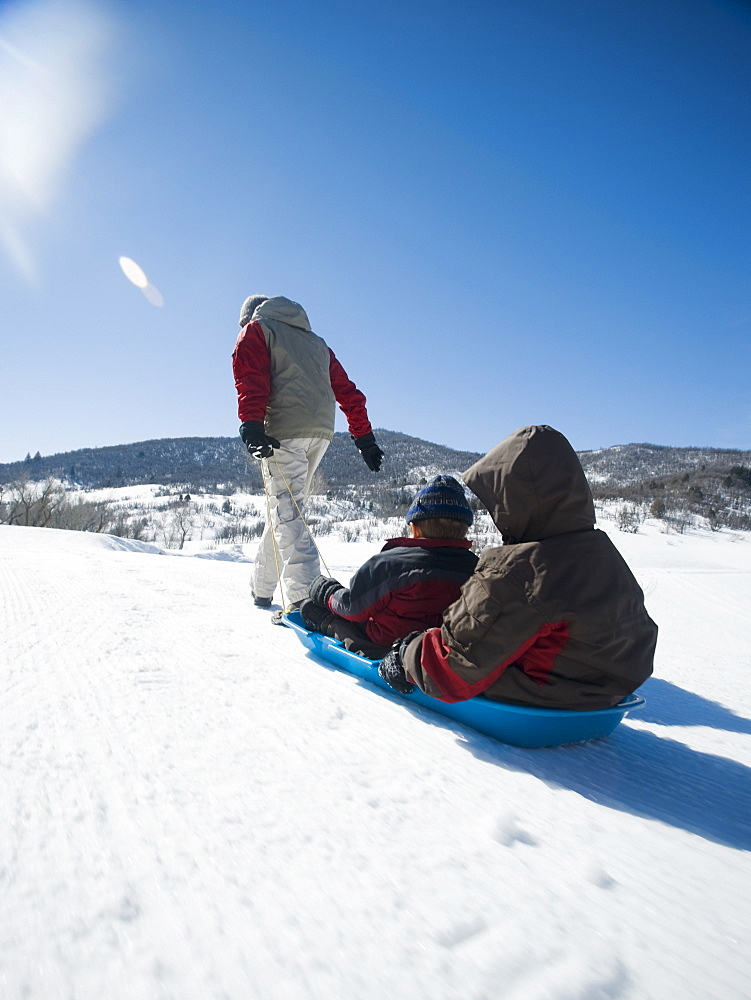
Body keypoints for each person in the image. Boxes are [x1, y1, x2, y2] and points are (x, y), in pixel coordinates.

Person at [378, 425, 658, 709]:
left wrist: (405, 655)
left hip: (540, 699)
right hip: (606, 694)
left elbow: (452, 667)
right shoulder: (602, 553)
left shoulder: (517, 571)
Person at [232, 294, 383, 612]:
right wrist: (364, 438)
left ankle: (305, 598)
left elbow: (251, 378)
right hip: (320, 433)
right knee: (287, 509)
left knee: (288, 512)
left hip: (284, 431)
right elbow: (348, 391)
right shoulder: (317, 343)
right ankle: (261, 589)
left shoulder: (257, 330)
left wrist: (252, 424)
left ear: (250, 316)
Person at [299, 476, 479, 658]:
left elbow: (353, 607)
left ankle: (331, 627)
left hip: (388, 645)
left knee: (312, 609)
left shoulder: (388, 565)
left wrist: (328, 592)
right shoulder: (478, 568)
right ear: (465, 529)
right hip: (446, 650)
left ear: (414, 528)